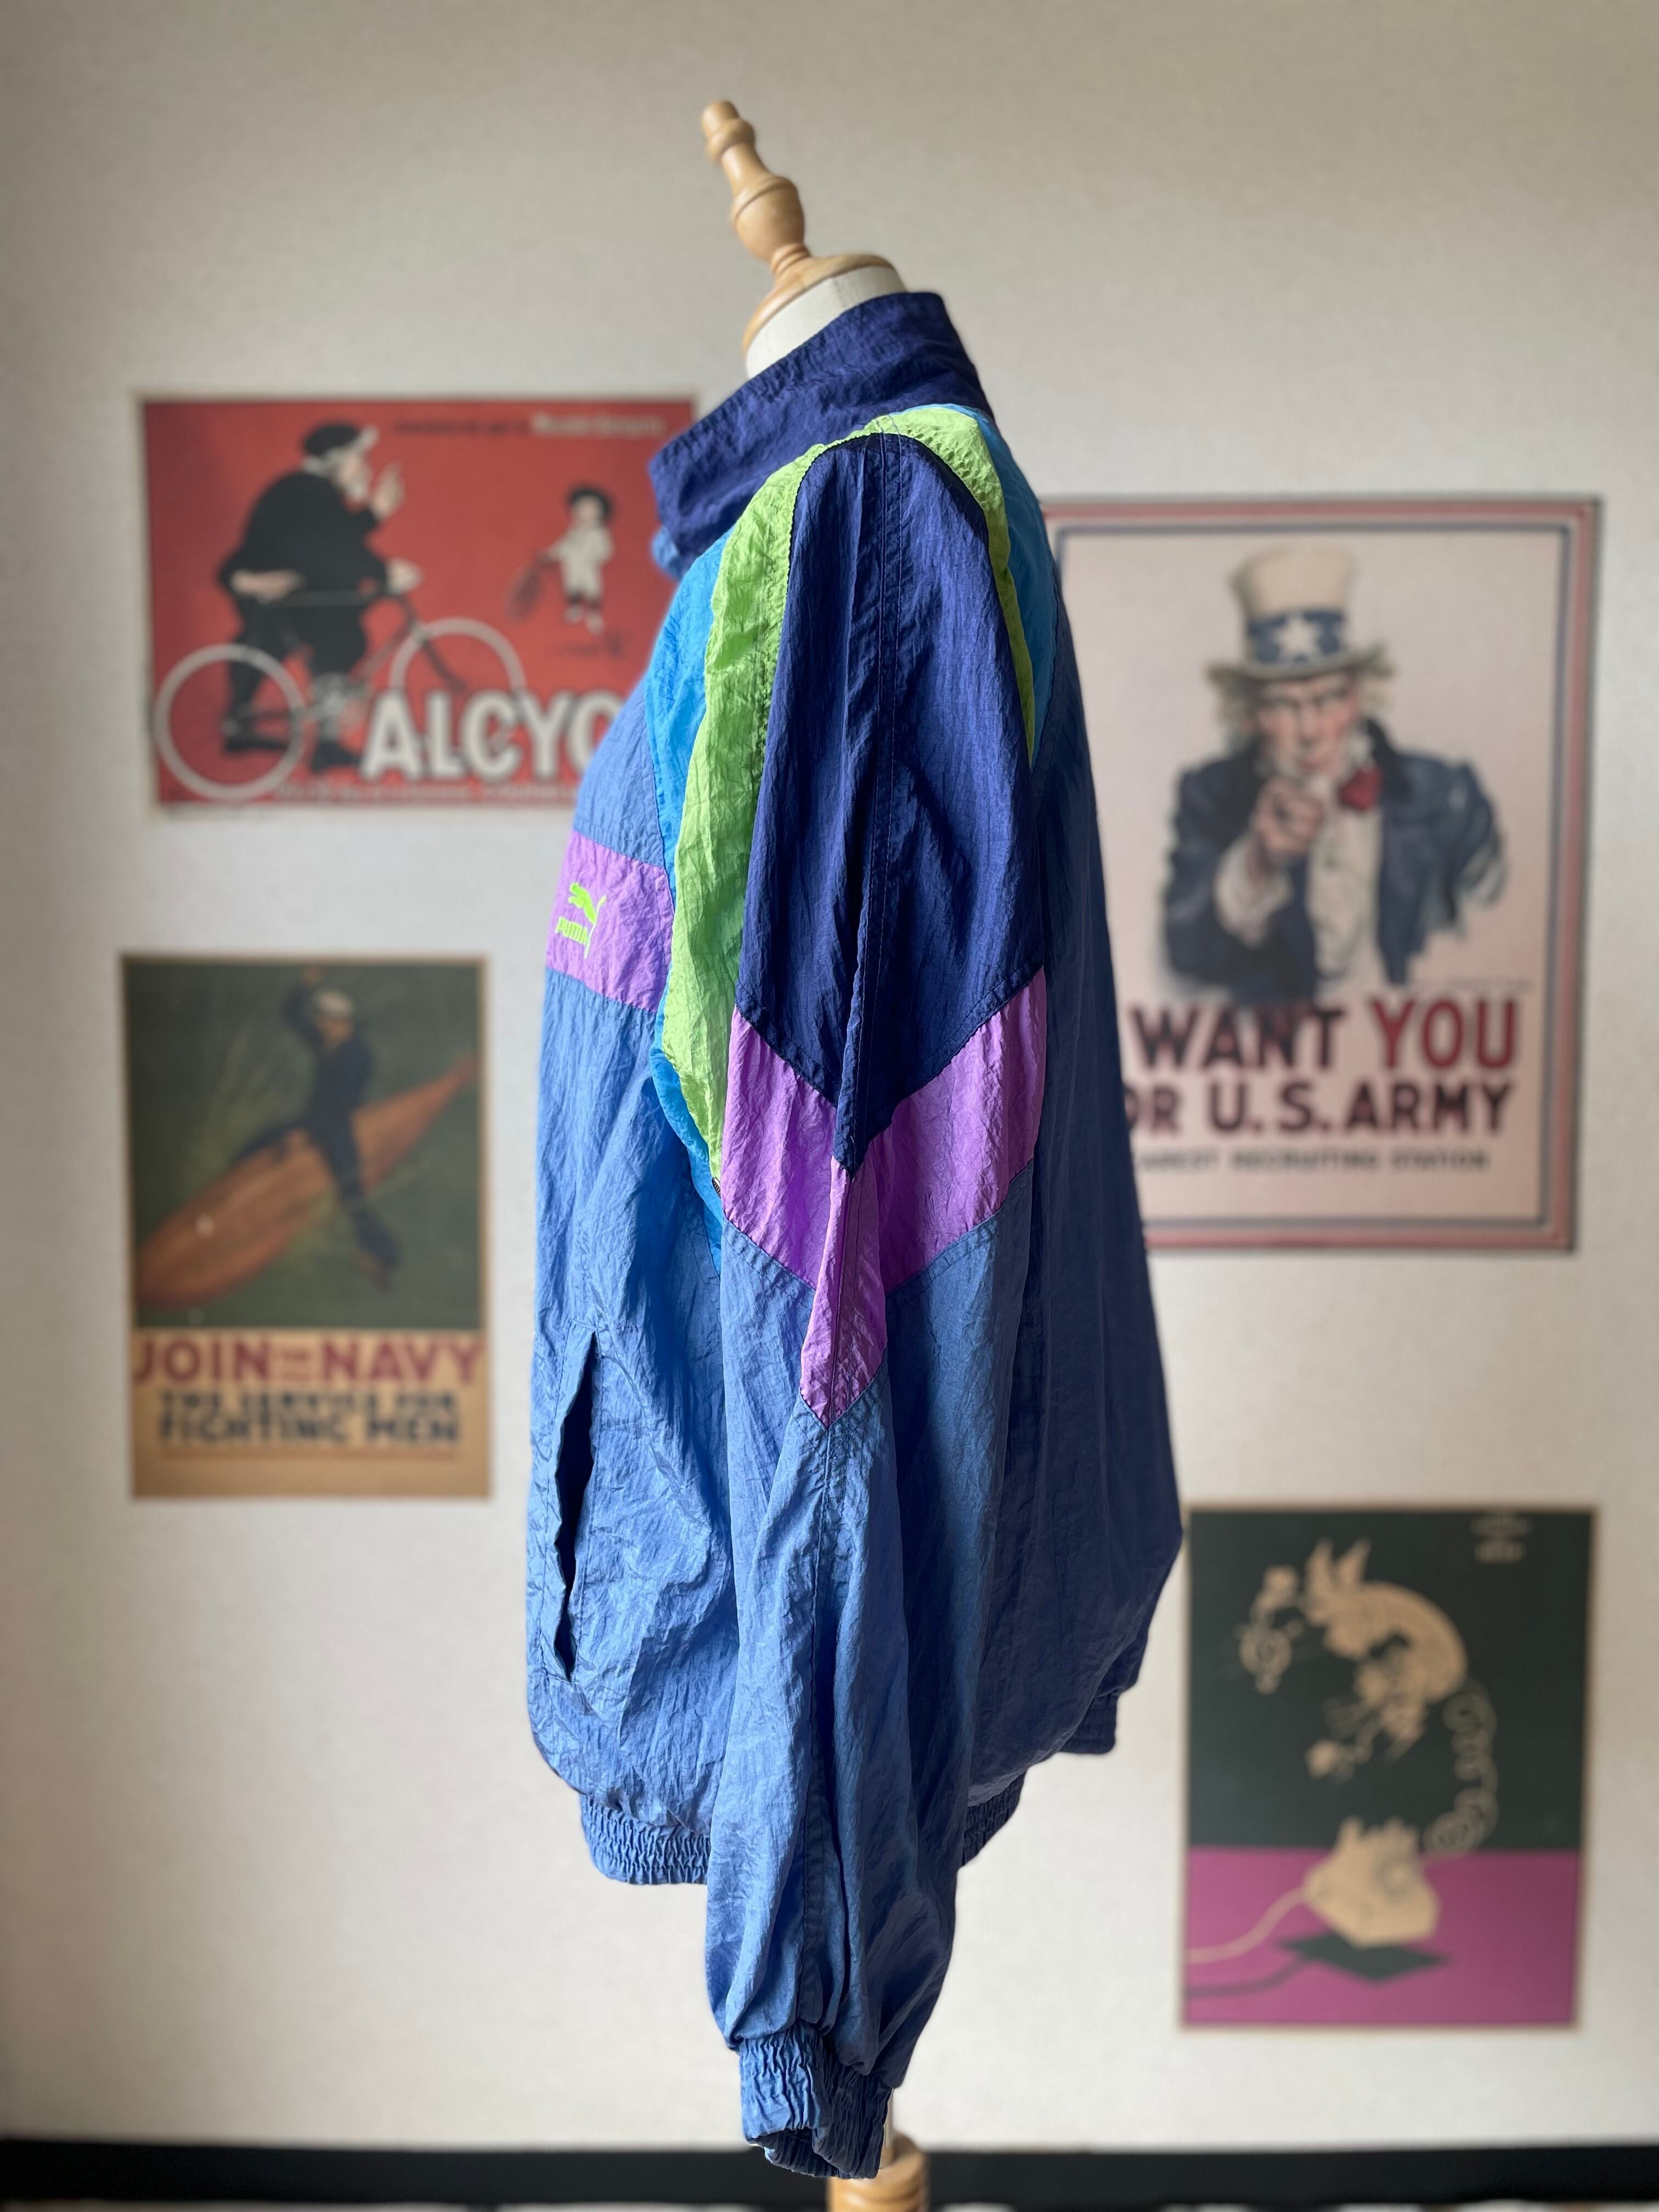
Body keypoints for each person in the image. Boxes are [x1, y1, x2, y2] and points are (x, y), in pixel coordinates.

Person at [1164, 544, 1504, 1003]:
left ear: (1360, 697)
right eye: (1282, 705)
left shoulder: (1446, 797)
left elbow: (1500, 941)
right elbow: (1186, 954)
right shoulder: (1211, 796)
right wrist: (1258, 860)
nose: (1310, 731)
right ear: (1249, 714)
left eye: (1328, 699)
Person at [216, 422, 422, 772]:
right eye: (359, 460)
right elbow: (333, 548)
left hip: (287, 592)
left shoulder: (309, 489)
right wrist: (383, 565)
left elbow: (336, 540)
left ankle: (315, 739)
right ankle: (320, 742)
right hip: (275, 594)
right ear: (336, 461)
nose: (365, 470)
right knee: (342, 639)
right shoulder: (308, 490)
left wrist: (379, 557)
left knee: (336, 637)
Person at [237, 970, 402, 1287]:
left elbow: (340, 1103)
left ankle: (383, 1258)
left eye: (328, 1021)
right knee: (258, 1144)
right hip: (314, 1121)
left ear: (345, 1023)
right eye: (321, 1020)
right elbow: (290, 1014)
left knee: (352, 1197)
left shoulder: (358, 1055)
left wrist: (305, 1134)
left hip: (336, 1127)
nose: (322, 1026)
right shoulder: (328, 1042)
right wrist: (305, 985)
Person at [541, 484, 614, 632]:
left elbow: (606, 550)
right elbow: (563, 545)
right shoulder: (574, 531)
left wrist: (595, 557)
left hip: (588, 568)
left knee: (593, 590)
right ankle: (575, 608)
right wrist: (551, 554)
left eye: (591, 508)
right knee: (572, 588)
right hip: (573, 566)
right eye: (583, 507)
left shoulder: (599, 533)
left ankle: (594, 615)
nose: (586, 511)